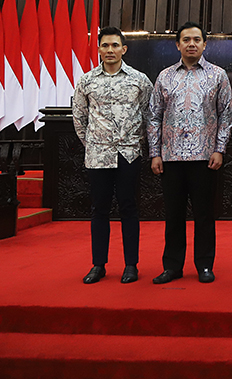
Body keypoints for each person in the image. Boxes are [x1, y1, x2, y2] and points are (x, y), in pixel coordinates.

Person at [148, 21, 232, 284]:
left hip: (205, 158)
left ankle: (204, 265)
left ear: (205, 44)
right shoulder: (164, 76)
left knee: (204, 215)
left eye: (197, 39)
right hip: (171, 157)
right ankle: (172, 266)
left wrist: (220, 149)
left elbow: (226, 117)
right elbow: (153, 117)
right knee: (173, 215)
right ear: (178, 44)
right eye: (186, 40)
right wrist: (155, 153)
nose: (192, 44)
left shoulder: (217, 75)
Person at [72, 27, 153, 284]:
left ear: (124, 49)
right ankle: (98, 264)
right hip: (98, 155)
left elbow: (148, 116)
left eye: (115, 45)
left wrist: (135, 144)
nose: (110, 50)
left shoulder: (139, 80)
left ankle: (131, 265)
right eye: (105, 45)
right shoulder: (86, 81)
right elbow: (79, 118)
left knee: (129, 208)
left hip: (128, 154)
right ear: (98, 48)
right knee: (99, 210)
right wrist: (94, 144)